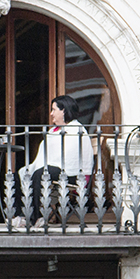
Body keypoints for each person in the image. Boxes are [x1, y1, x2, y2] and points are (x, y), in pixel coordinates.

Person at [11, 95, 94, 228]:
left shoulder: (76, 129)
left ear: (64, 111)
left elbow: (72, 158)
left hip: (71, 173)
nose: (51, 113)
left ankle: (37, 216)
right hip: (53, 170)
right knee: (18, 174)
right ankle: (20, 215)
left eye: (54, 109)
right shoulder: (53, 131)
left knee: (41, 173)